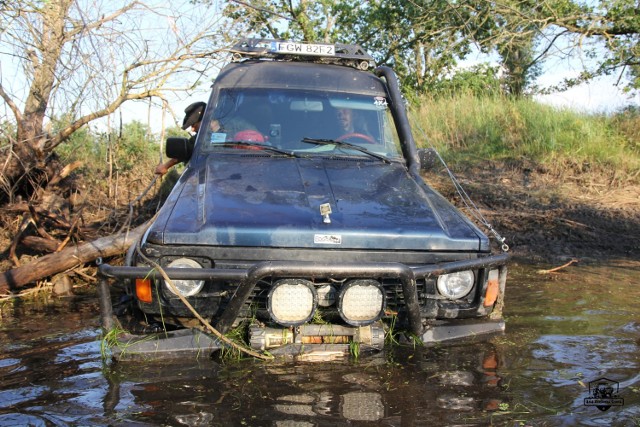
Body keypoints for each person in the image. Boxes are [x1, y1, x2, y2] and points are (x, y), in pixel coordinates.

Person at [155, 101, 206, 176]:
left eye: (194, 125)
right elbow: (186, 150)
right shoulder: (201, 138)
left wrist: (165, 167)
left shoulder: (203, 138)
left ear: (205, 121)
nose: (192, 129)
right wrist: (166, 166)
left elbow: (186, 151)